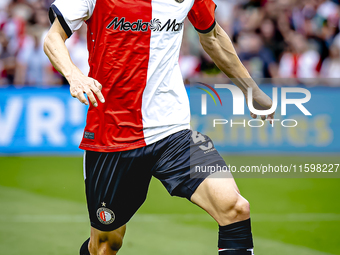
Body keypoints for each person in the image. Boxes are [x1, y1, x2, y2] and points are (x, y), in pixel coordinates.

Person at [44, 0, 274, 254]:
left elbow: (214, 37)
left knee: (234, 207)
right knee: (106, 244)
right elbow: (53, 38)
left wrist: (250, 90)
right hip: (112, 136)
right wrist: (74, 76)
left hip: (171, 129)